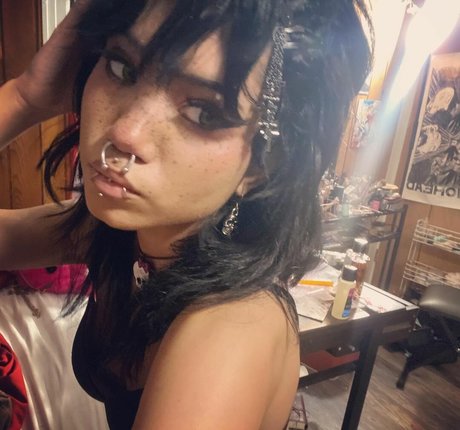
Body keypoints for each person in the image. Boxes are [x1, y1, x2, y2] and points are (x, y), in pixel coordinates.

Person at [0, 0, 372, 428]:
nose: (124, 132)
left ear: (263, 164)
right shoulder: (123, 234)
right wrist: (26, 95)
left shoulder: (228, 328)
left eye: (203, 112)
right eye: (122, 67)